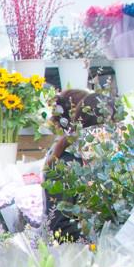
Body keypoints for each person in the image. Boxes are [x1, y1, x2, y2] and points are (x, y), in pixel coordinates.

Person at [45, 89, 116, 240]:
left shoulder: (113, 162)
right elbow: (59, 224)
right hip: (78, 253)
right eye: (110, 127)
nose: (116, 134)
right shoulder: (66, 164)